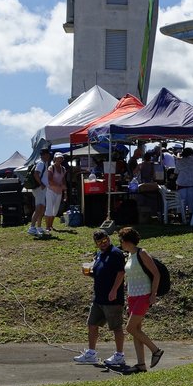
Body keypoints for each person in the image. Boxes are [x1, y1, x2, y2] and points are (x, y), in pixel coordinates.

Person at [74, 229, 126, 365]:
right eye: (99, 242)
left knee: (116, 327)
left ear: (108, 239)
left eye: (104, 241)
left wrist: (114, 290)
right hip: (99, 298)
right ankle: (91, 353)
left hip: (113, 299)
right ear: (95, 243)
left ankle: (120, 355)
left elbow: (121, 273)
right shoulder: (99, 255)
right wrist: (88, 274)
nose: (102, 244)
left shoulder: (116, 253)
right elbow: (99, 274)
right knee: (92, 324)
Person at [116, 227, 163, 374]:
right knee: (136, 330)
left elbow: (156, 274)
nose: (120, 244)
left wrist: (153, 293)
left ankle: (156, 350)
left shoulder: (141, 253)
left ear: (128, 241)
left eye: (122, 241)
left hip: (144, 294)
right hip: (132, 295)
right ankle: (140, 364)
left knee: (130, 328)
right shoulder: (129, 255)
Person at [27, 148, 53, 236]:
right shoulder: (41, 163)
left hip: (41, 189)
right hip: (39, 189)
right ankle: (32, 227)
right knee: (38, 208)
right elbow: (36, 174)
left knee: (42, 207)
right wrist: (41, 184)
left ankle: (38, 227)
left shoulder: (42, 163)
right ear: (46, 155)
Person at [174, 147, 193, 222]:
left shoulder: (179, 162)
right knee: (192, 203)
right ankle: (191, 218)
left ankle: (181, 217)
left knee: (181, 202)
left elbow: (175, 173)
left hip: (182, 184)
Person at [43, 152, 66, 232]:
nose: (60, 159)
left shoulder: (63, 169)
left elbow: (63, 180)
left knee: (55, 210)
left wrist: (65, 192)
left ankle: (51, 225)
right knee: (49, 208)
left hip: (59, 191)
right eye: (58, 158)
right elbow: (49, 181)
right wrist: (59, 185)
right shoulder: (51, 168)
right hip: (50, 190)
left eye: (61, 158)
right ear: (55, 159)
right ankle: (47, 226)